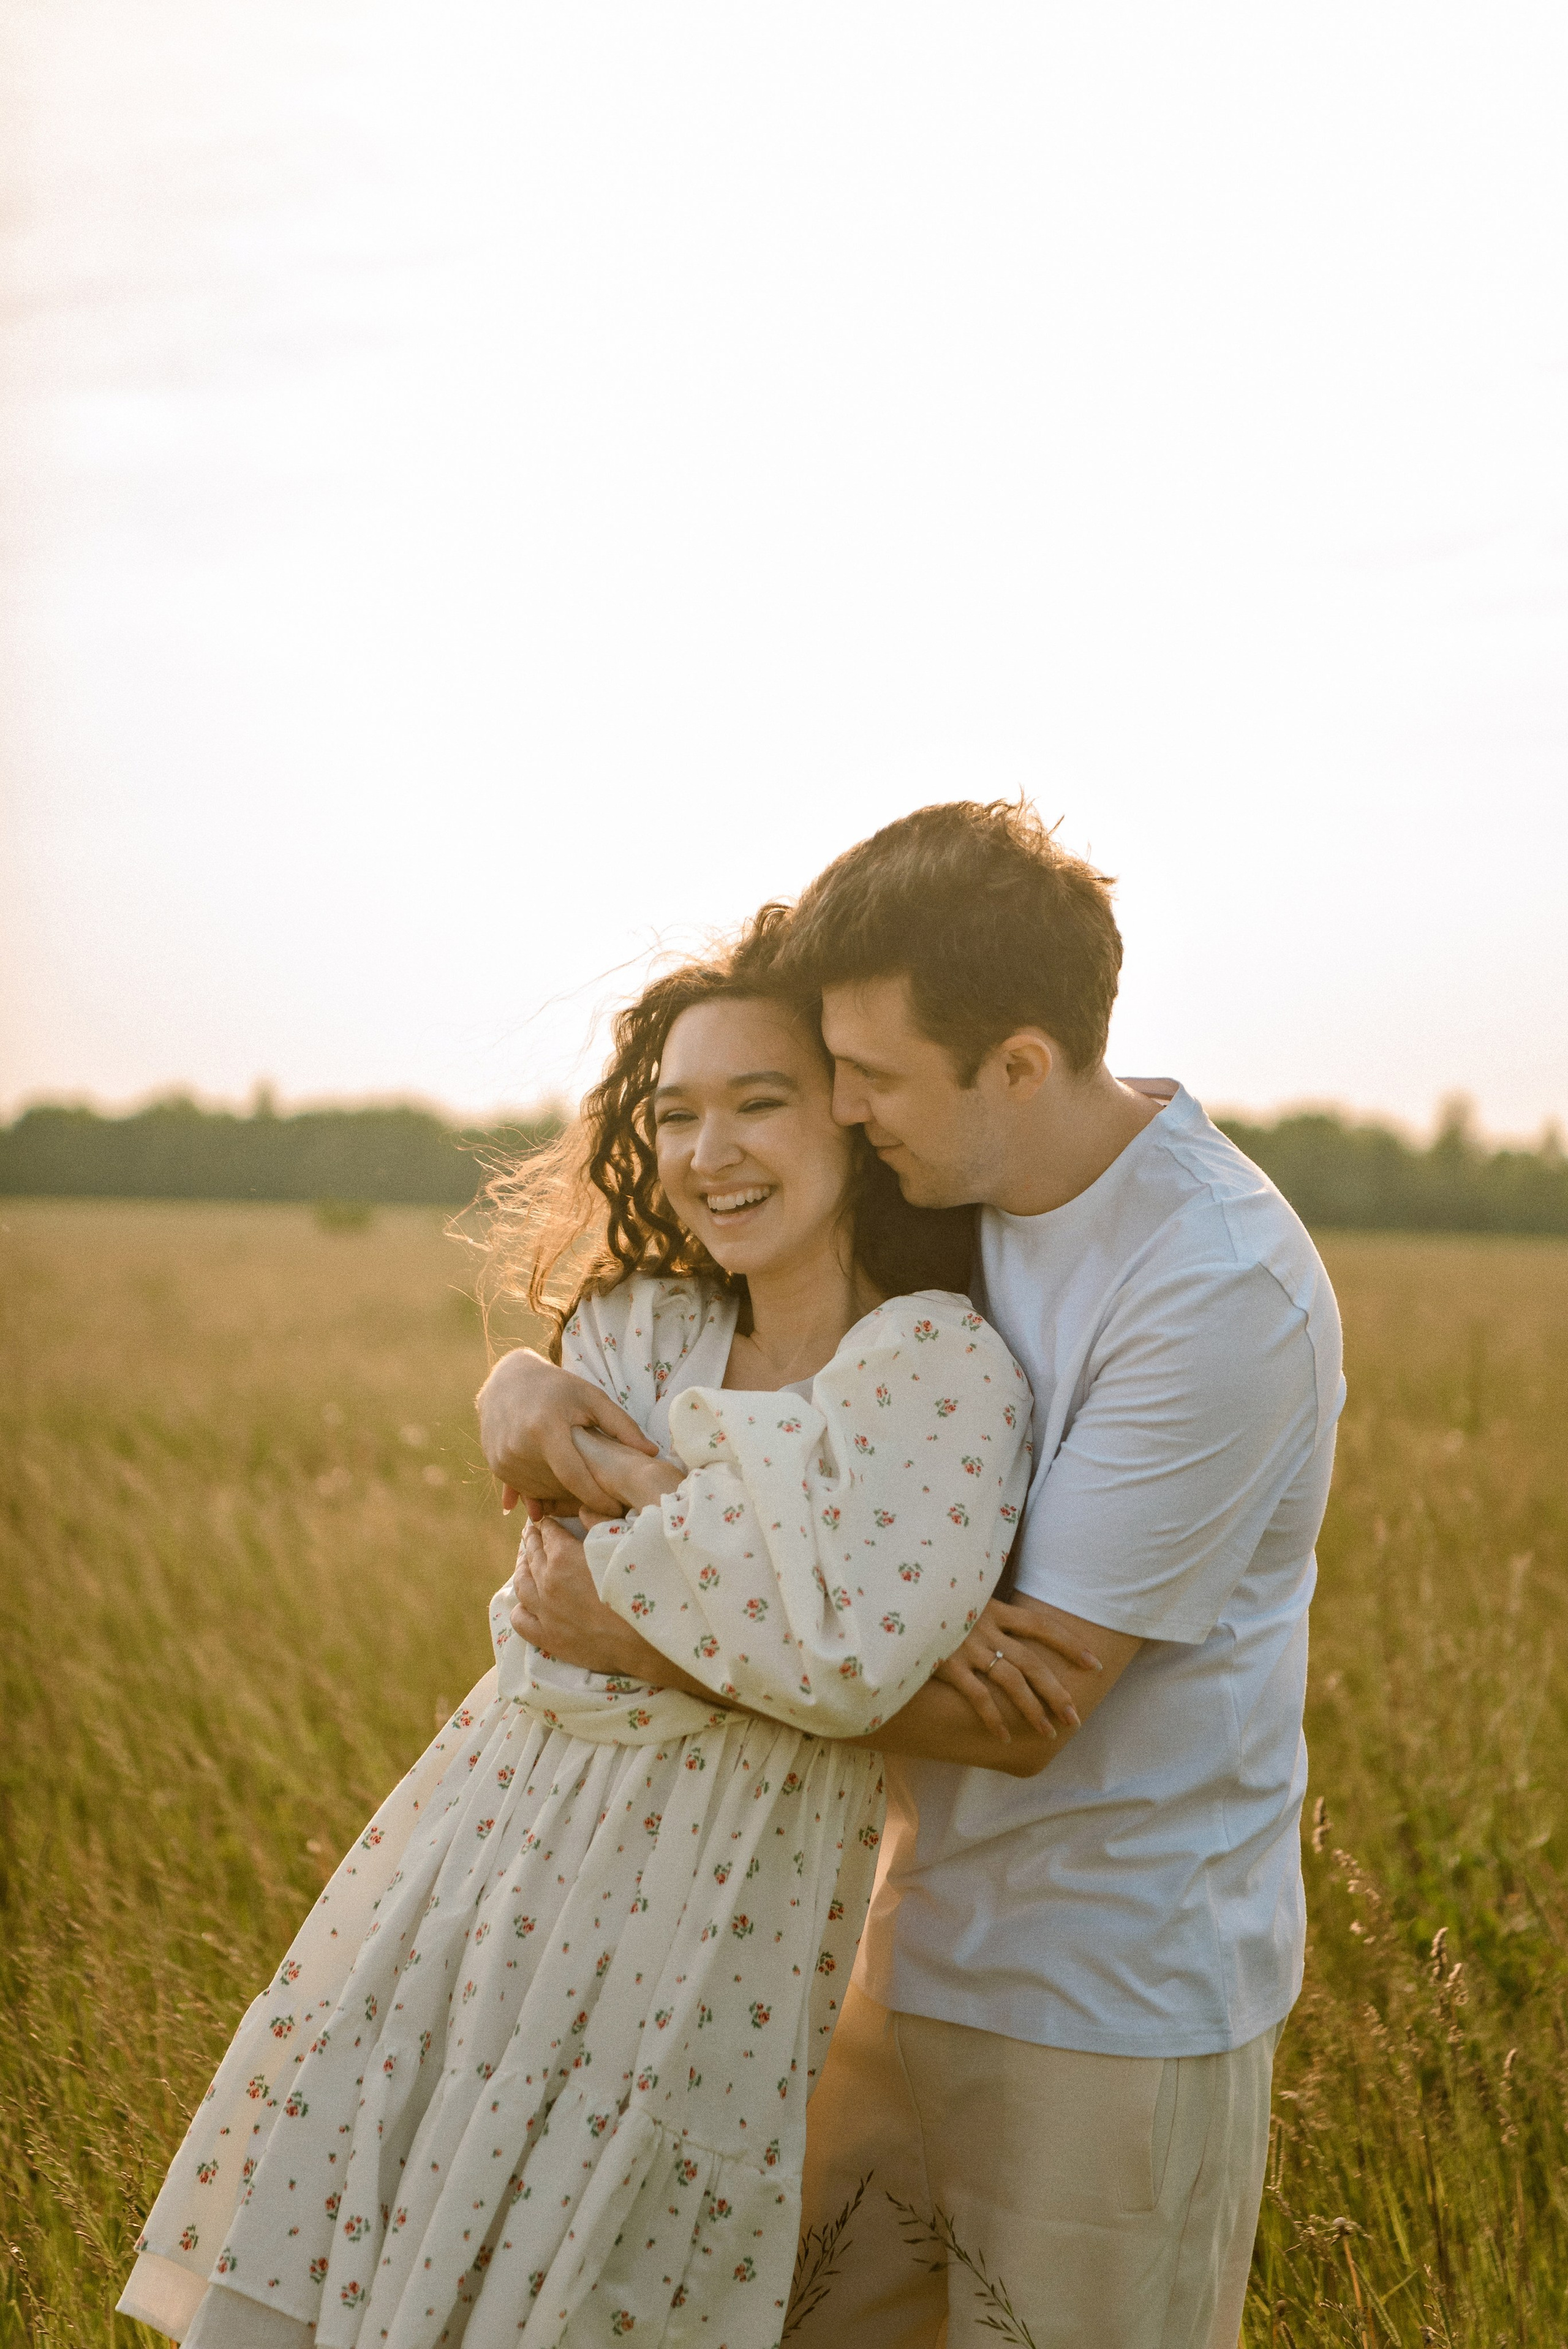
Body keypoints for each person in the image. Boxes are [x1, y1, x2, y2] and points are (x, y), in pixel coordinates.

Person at [119, 913, 1068, 2349]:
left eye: (759, 1101)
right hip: (493, 1854)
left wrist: (633, 1498)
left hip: (715, 1920)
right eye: (674, 1112)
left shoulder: (937, 1366)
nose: (709, 1150)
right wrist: (743, 1575)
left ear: (852, 1120)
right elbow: (552, 1612)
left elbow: (844, 1658)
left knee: (587, 2283)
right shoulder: (635, 1327)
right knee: (381, 2226)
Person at [483, 802, 1346, 2349]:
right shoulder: (948, 1211)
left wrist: (636, 1632)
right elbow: (787, 1508)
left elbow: (1023, 1708)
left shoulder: (1210, 1286)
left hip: (1110, 1996)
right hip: (885, 1938)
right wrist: (517, 1391)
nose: (848, 1107)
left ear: (1016, 1062)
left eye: (869, 1078)